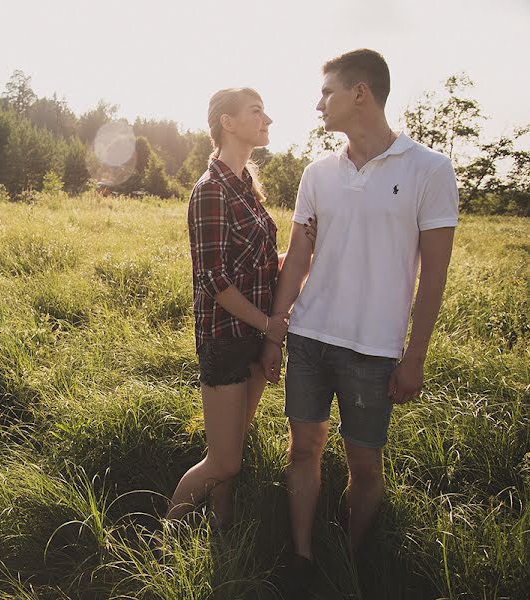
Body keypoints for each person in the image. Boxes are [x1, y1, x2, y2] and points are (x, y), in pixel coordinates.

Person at [260, 49, 459, 589]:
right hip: (308, 337)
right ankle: (301, 559)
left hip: (373, 350)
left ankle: (344, 556)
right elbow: (298, 257)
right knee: (302, 450)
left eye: (327, 92)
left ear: (360, 93)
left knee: (365, 467)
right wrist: (277, 331)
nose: (318, 103)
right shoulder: (317, 173)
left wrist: (413, 357)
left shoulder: (430, 170)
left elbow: (433, 276)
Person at [166, 88, 313, 529]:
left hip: (252, 336)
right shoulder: (211, 190)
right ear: (227, 123)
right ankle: (165, 537)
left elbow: (260, 266)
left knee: (231, 451)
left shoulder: (247, 187)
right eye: (256, 111)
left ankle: (221, 534)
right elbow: (213, 280)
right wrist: (269, 324)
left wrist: (310, 249)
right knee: (224, 462)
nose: (266, 118)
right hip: (227, 341)